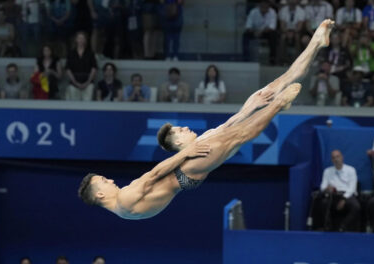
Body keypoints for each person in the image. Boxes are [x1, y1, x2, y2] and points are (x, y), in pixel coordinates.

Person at [77, 20, 335, 220]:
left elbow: (229, 124)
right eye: (103, 181)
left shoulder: (196, 145)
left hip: (188, 168)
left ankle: (315, 43)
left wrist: (250, 107)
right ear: (99, 194)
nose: (109, 179)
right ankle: (279, 104)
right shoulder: (124, 200)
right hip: (184, 173)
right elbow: (156, 172)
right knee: (241, 133)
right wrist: (187, 151)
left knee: (263, 94)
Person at [315, 150, 360, 231]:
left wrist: (344, 199)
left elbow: (352, 188)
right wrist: (327, 188)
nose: (336, 159)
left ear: (342, 157)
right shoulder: (327, 171)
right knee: (323, 203)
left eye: (337, 156)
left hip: (347, 194)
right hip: (334, 195)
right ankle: (328, 227)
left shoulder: (351, 170)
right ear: (332, 160)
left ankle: (343, 226)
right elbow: (322, 186)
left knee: (356, 206)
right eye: (333, 157)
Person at [242, 0, 278, 64]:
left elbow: (272, 27)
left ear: (268, 5)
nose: (264, 5)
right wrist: (255, 31)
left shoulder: (272, 12)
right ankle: (246, 58)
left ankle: (272, 59)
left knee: (274, 35)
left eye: (266, 3)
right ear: (260, 4)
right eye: (263, 3)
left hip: (266, 33)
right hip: (254, 31)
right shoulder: (253, 12)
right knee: (245, 35)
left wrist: (261, 31)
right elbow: (248, 26)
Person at [65, 31, 97, 101]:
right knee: (74, 104)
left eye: (83, 38)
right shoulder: (71, 53)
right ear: (76, 40)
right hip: (74, 82)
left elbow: (94, 69)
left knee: (88, 103)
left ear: (85, 40)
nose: (81, 40)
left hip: (88, 82)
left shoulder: (90, 53)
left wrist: (87, 82)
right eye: (79, 38)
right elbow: (68, 69)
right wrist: (75, 83)